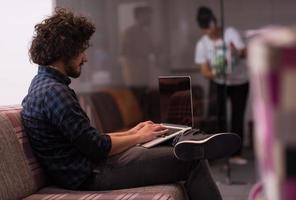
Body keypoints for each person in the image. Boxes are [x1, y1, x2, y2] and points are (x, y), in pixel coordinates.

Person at [21, 8, 241, 200]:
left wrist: (133, 132)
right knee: (191, 160)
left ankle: (190, 138)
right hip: (91, 175)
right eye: (81, 50)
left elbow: (89, 139)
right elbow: (97, 147)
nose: (85, 58)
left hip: (90, 166)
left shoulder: (46, 85)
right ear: (65, 50)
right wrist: (137, 137)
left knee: (161, 139)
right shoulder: (54, 93)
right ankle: (194, 141)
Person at [194, 6, 249, 165]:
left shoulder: (230, 32)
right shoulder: (202, 44)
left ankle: (236, 154)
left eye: (213, 27)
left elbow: (244, 52)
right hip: (219, 82)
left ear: (216, 22)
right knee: (219, 117)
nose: (211, 31)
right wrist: (218, 71)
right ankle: (219, 153)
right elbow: (204, 71)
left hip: (240, 81)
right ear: (203, 29)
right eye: (207, 29)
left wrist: (237, 52)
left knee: (237, 117)